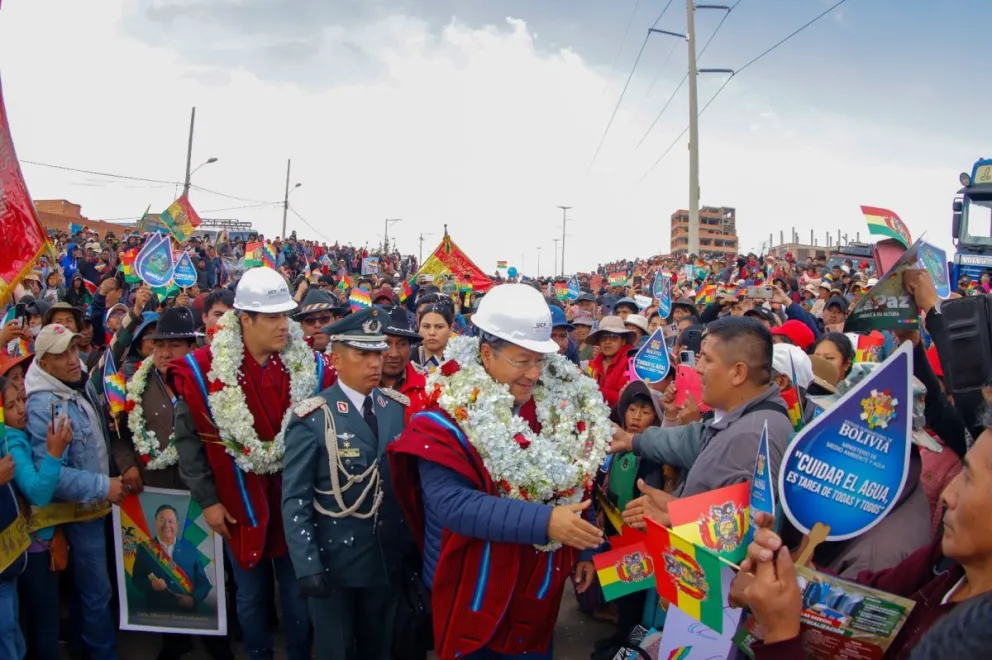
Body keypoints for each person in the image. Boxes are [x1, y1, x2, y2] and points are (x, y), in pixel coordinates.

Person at [389, 283, 608, 660]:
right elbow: (453, 504)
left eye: (541, 360)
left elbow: (574, 476)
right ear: (486, 354)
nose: (534, 373)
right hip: (476, 595)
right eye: (523, 361)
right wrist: (546, 522)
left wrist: (585, 549)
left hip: (539, 596)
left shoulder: (557, 401)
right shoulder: (442, 413)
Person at [169, 267, 335, 660]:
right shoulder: (203, 369)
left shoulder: (309, 366)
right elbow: (189, 442)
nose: (284, 325)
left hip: (296, 504)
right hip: (237, 503)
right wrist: (208, 500)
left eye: (286, 315)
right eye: (273, 316)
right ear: (246, 319)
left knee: (297, 593)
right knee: (251, 594)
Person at [282, 306, 412, 660]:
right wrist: (307, 565)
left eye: (378, 352)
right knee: (335, 650)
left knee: (379, 648)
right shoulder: (313, 417)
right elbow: (295, 499)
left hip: (384, 560)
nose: (375, 362)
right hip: (334, 562)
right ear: (336, 359)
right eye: (363, 354)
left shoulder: (396, 407)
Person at [610, 316, 794, 526]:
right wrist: (631, 440)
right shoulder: (742, 417)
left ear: (738, 372)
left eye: (707, 359)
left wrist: (679, 514)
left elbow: (742, 529)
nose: (697, 369)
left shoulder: (752, 438)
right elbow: (694, 440)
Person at [25, 324, 126, 659]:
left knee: (96, 591)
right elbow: (53, 474)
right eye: (61, 354)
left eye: (73, 349)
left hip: (94, 507)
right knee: (96, 591)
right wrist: (104, 485)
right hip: (81, 510)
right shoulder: (44, 406)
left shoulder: (76, 383)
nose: (72, 358)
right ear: (43, 362)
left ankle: (90, 647)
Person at [132, 504, 213, 613]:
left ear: (177, 524)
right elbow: (137, 579)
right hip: (155, 613)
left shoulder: (190, 548)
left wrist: (193, 600)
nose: (166, 525)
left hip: (186, 614)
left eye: (170, 521)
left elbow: (204, 583)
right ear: (155, 523)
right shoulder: (145, 549)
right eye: (162, 520)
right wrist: (151, 584)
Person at [380, 305, 429, 423]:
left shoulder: (428, 386)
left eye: (402, 344)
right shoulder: (358, 385)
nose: (394, 354)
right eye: (386, 344)